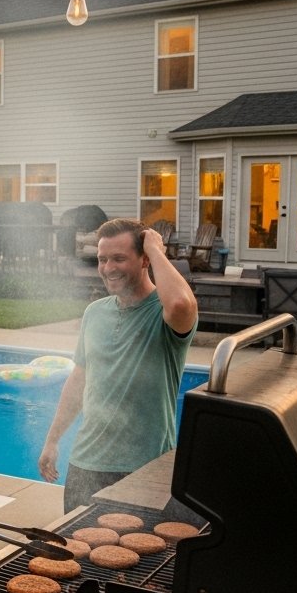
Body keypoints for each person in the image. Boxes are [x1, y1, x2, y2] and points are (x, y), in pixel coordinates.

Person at [37, 218, 198, 512]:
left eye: (119, 258)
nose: (108, 267)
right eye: (102, 259)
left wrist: (156, 248)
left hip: (143, 468)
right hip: (85, 463)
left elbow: (181, 305)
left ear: (144, 260)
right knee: (76, 551)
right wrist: (52, 440)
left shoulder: (162, 313)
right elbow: (79, 380)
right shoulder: (95, 312)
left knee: (138, 555)